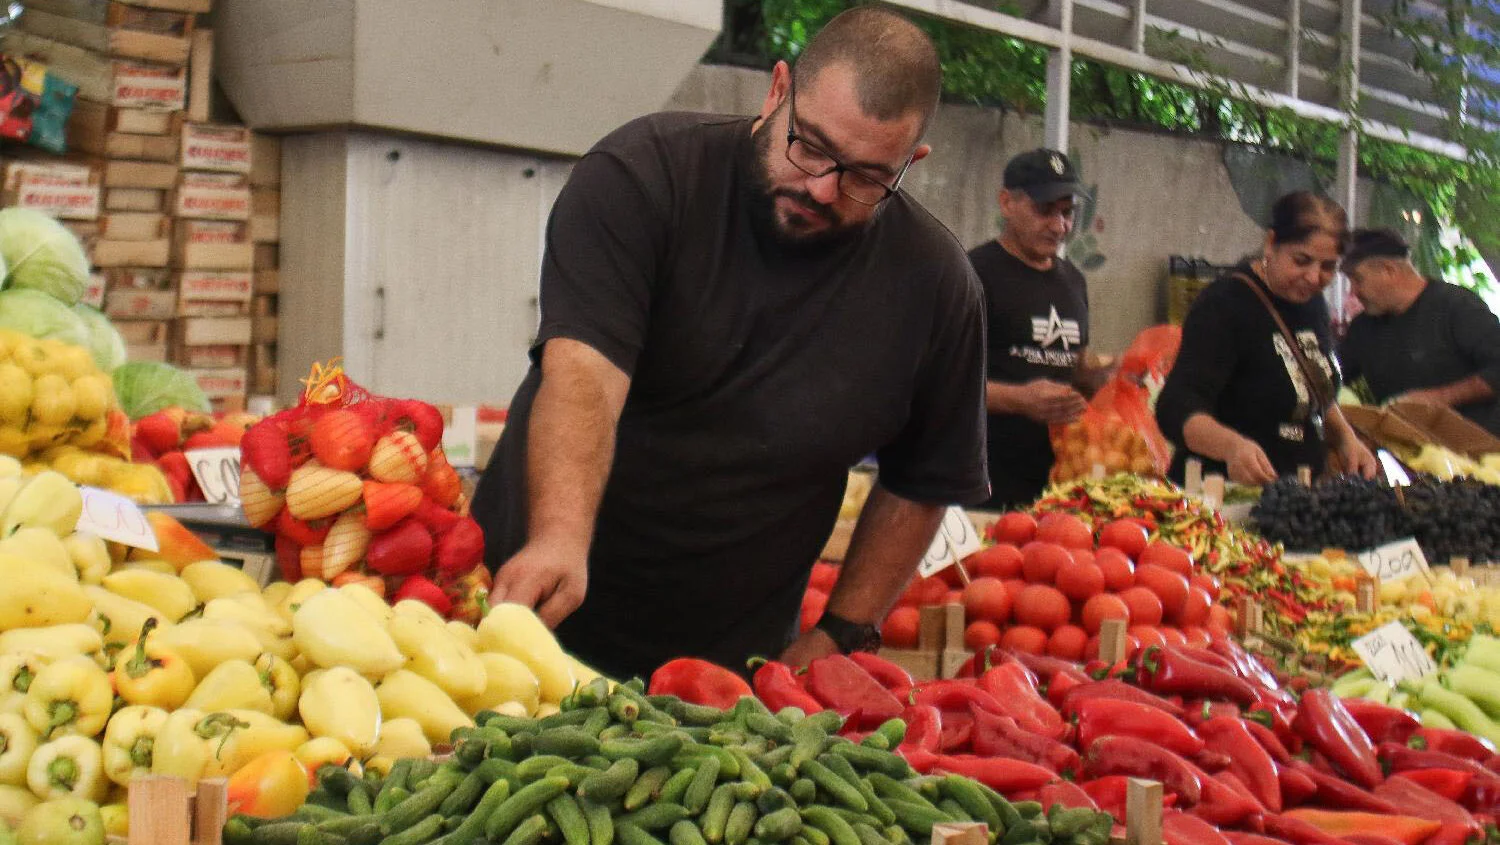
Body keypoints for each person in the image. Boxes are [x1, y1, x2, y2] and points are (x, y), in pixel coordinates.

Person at [470, 8, 990, 680]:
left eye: (866, 176)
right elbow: (585, 373)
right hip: (535, 617)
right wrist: (559, 538)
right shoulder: (644, 177)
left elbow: (924, 480)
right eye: (810, 146)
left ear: (910, 161)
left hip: (725, 673)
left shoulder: (939, 289)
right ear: (777, 91)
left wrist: (839, 630)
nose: (822, 187)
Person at [1156, 191, 1378, 484]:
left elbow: (1309, 387)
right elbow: (1176, 407)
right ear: (1271, 243)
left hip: (1296, 494)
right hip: (1223, 497)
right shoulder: (1225, 304)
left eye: (1328, 267)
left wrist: (1346, 438)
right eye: (1302, 261)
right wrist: (1232, 447)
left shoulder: (1312, 304)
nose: (1313, 278)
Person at [969, 149, 1094, 508]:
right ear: (1006, 202)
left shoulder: (1074, 282)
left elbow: (1076, 368)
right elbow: (935, 385)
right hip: (984, 488)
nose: (1059, 227)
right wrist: (1018, 400)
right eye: (1045, 210)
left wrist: (1115, 375)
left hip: (1060, 488)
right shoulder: (972, 275)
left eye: (1067, 212)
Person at [1339, 228, 1500, 436]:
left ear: (1389, 271)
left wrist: (1440, 398)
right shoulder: (1362, 328)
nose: (1353, 292)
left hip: (1477, 453)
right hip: (1401, 456)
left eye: (1358, 279)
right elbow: (1336, 381)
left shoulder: (1457, 307)